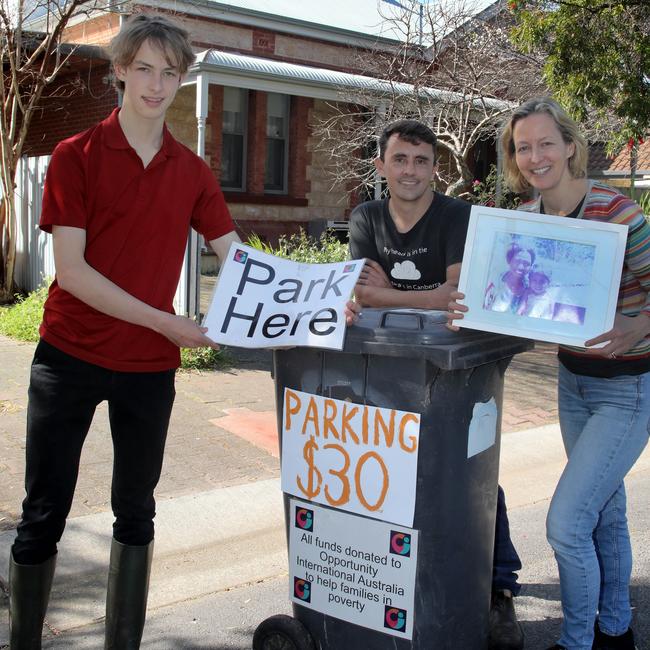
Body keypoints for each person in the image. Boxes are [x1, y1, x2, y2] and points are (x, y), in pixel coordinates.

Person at [4, 14, 243, 649]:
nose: (157, 84)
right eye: (145, 68)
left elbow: (241, 260)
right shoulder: (75, 156)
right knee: (41, 517)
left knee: (135, 514)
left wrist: (323, 299)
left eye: (171, 73)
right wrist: (170, 322)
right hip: (68, 356)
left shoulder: (191, 171)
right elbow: (74, 273)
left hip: (148, 369)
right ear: (119, 71)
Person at [449, 97, 650, 650]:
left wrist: (640, 324)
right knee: (605, 515)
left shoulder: (617, 214)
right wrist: (474, 310)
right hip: (573, 383)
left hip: (627, 389)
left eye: (545, 143)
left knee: (566, 524)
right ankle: (616, 633)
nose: (535, 156)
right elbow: (518, 305)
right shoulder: (526, 225)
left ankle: (578, 641)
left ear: (569, 146)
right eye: (523, 147)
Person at [349, 118, 525, 650]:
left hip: (459, 367)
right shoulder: (366, 217)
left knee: (468, 475)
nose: (410, 170)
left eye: (421, 161)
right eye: (399, 159)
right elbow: (357, 297)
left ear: (434, 168)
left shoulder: (456, 215)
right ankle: (416, 580)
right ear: (380, 166)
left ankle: (497, 588)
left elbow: (458, 296)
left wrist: (389, 296)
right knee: (401, 477)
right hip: (390, 366)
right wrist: (415, 298)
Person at [484, 244, 535, 313]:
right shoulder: (493, 280)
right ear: (509, 261)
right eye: (517, 261)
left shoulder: (531, 289)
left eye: (526, 264)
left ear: (531, 266)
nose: (521, 267)